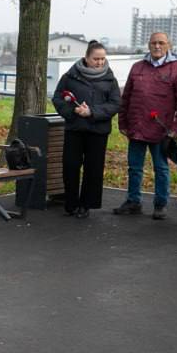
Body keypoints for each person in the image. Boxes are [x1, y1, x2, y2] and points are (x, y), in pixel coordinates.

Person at [114, 31, 177, 220]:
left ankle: (160, 204)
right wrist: (122, 122)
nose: (157, 46)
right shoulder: (137, 67)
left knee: (161, 168)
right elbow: (126, 98)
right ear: (148, 45)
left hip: (161, 130)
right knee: (134, 167)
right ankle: (133, 202)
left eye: (161, 43)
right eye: (154, 43)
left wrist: (175, 129)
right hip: (136, 127)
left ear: (169, 45)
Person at [51, 41, 120, 219]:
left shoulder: (110, 79)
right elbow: (58, 97)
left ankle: (86, 205)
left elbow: (115, 104)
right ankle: (71, 203)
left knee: (93, 169)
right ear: (86, 58)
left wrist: (92, 112)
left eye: (103, 59)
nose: (100, 62)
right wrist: (72, 111)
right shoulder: (70, 76)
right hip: (75, 128)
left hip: (98, 130)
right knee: (70, 166)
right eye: (96, 59)